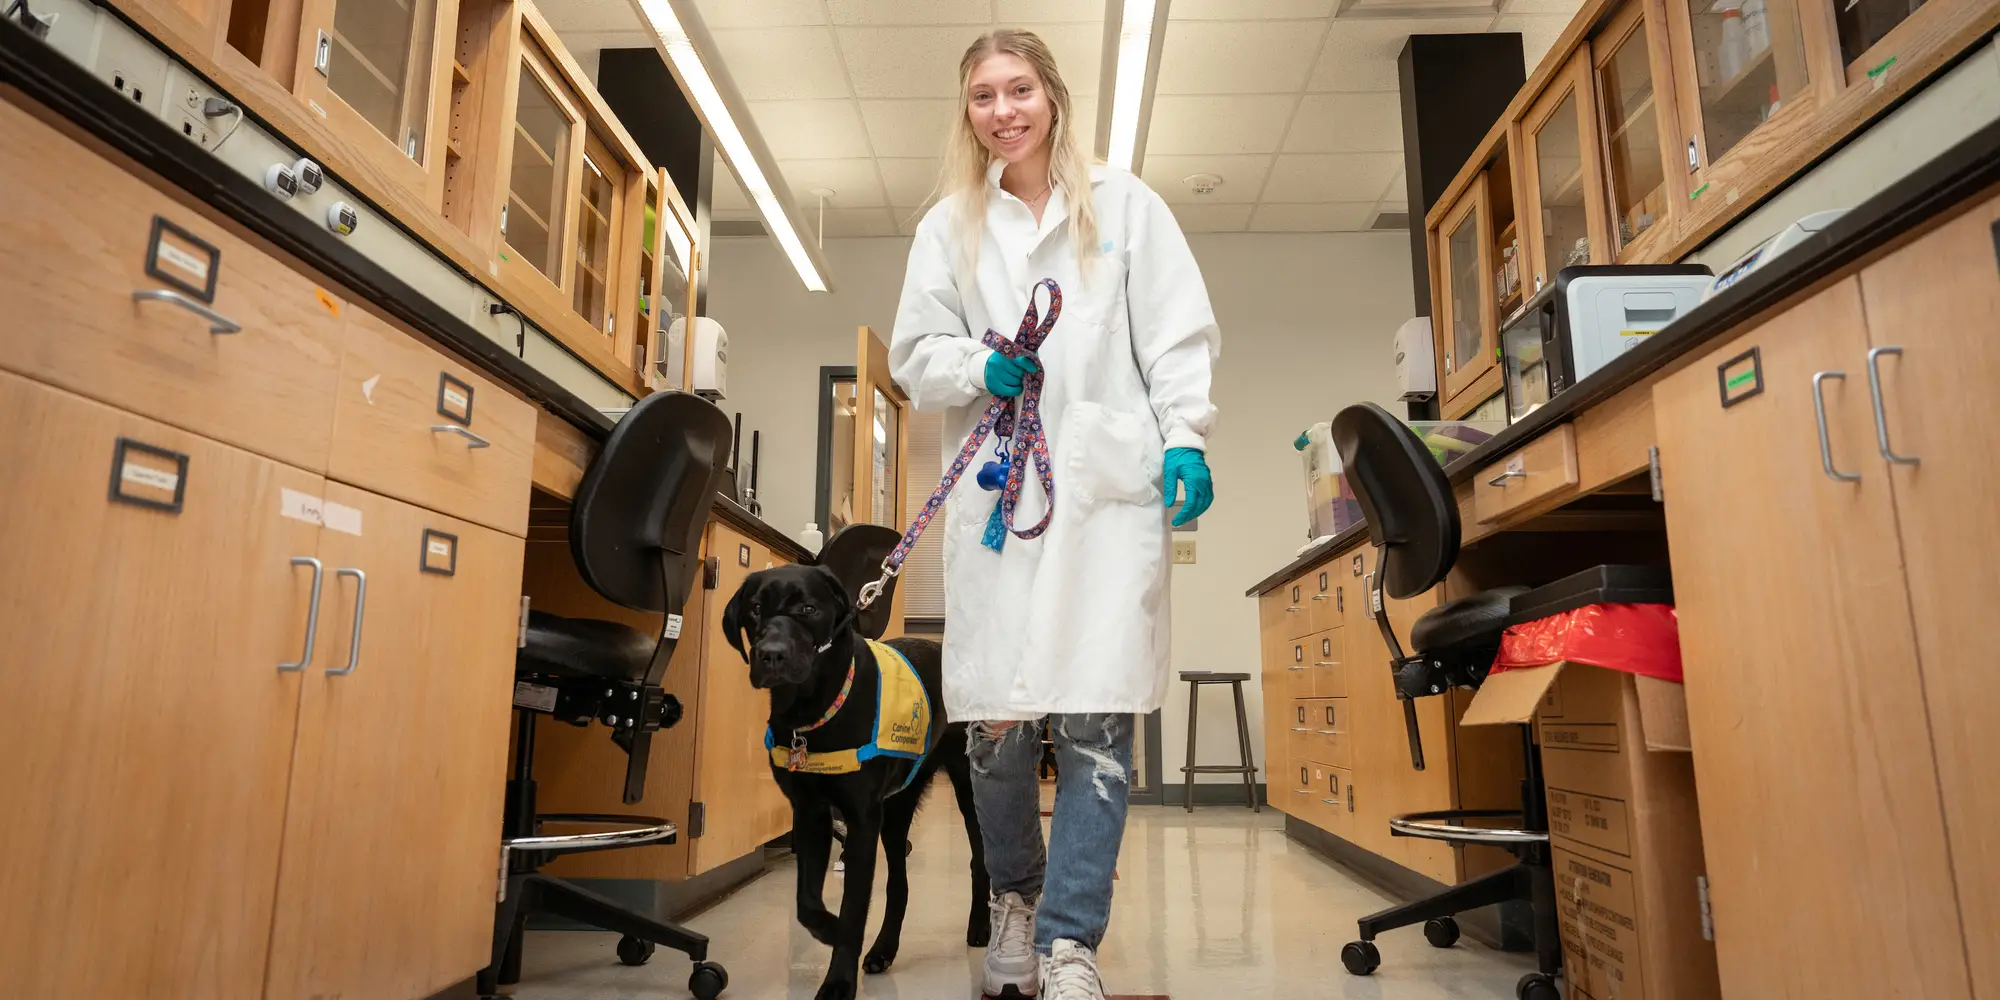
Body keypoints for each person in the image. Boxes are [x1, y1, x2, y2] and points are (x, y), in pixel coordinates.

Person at [888, 28, 1220, 1000]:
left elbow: (1174, 333)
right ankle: (1016, 900)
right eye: (983, 96)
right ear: (968, 112)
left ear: (1051, 95)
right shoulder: (946, 227)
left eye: (1018, 89)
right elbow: (914, 352)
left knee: (1094, 724)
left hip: (1103, 503)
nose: (1003, 110)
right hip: (1000, 498)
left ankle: (1072, 942)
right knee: (993, 726)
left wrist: (1185, 436)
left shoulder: (1126, 209)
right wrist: (973, 366)